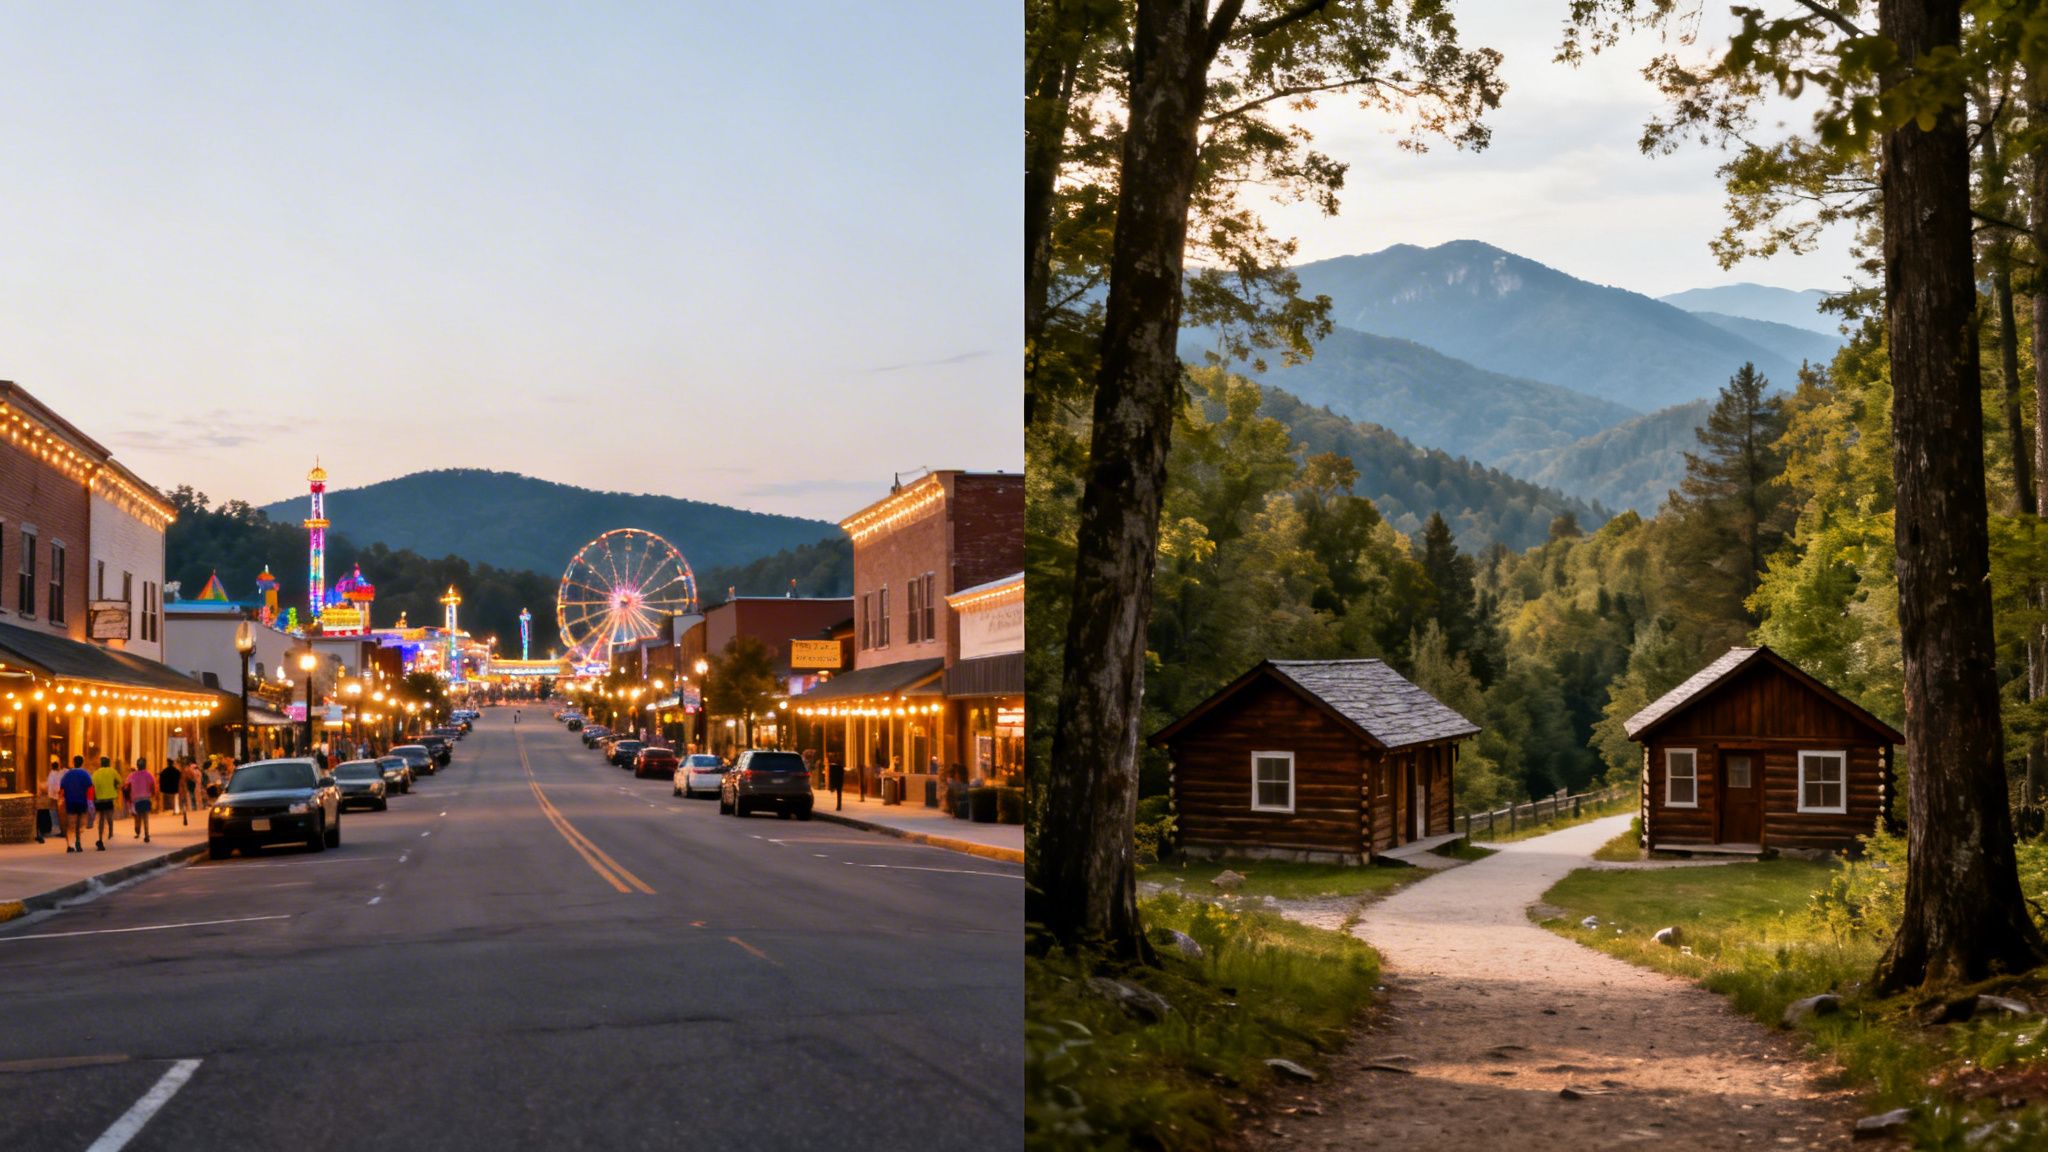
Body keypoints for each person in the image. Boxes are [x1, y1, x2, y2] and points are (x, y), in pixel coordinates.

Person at [59, 756, 94, 853]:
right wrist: (90, 803)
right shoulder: (85, 774)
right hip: (82, 802)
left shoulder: (67, 774)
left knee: (70, 824)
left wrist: (61, 800)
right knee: (79, 824)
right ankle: (78, 842)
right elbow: (90, 788)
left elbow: (62, 788)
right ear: (82, 763)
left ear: (73, 762)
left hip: (70, 801)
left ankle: (70, 845)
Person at [90, 756, 121, 851]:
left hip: (99, 800)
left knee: (101, 819)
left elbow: (92, 785)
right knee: (109, 817)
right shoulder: (112, 771)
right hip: (109, 799)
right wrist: (115, 787)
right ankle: (110, 833)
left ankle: (100, 836)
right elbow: (120, 781)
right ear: (108, 763)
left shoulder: (96, 773)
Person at [126, 758, 156, 844]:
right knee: (146, 818)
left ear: (137, 765)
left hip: (136, 800)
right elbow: (153, 785)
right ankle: (146, 835)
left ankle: (138, 830)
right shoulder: (148, 775)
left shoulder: (132, 775)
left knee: (138, 817)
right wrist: (153, 794)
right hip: (146, 799)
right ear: (145, 765)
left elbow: (127, 785)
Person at [39, 755, 64, 844]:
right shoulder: (58, 774)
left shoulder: (52, 774)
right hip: (57, 795)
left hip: (54, 796)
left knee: (54, 813)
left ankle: (56, 828)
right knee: (57, 813)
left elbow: (52, 785)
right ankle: (59, 828)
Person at [157, 759, 182, 824]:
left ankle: (174, 810)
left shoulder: (165, 771)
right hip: (175, 787)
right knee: (175, 798)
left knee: (172, 799)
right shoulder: (176, 771)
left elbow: (161, 777)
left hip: (169, 788)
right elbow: (180, 777)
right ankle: (176, 810)